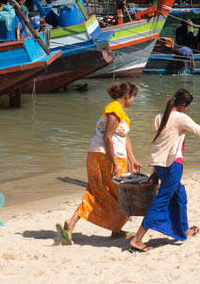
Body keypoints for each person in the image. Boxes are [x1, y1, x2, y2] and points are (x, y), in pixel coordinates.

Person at [129, 89, 200, 252]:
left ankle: (183, 230)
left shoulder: (159, 117)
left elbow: (159, 144)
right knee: (162, 200)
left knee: (180, 194)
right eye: (186, 107)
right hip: (173, 165)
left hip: (160, 165)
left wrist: (155, 171)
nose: (186, 109)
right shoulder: (181, 118)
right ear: (183, 105)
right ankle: (137, 239)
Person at [58, 82, 142, 244]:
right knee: (102, 192)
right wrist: (115, 163)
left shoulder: (119, 112)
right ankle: (72, 222)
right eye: (133, 97)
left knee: (115, 193)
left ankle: (116, 229)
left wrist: (133, 159)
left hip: (112, 156)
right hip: (105, 156)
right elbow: (107, 137)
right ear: (127, 96)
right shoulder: (114, 109)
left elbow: (124, 137)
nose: (133, 101)